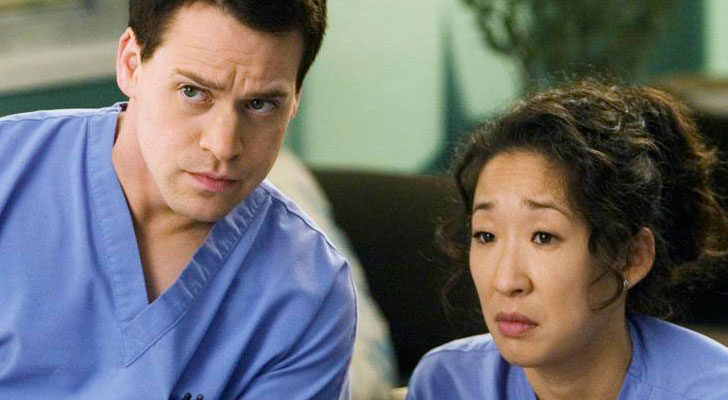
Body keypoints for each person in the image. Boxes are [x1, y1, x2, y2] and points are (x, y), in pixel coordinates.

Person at [0, 1, 356, 399]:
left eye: (260, 104)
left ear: (294, 100)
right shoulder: (9, 170)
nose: (223, 146)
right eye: (193, 92)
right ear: (131, 65)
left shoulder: (307, 294)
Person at [406, 81, 728, 399]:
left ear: (631, 257)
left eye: (543, 237)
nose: (506, 282)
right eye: (486, 235)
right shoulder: (447, 384)